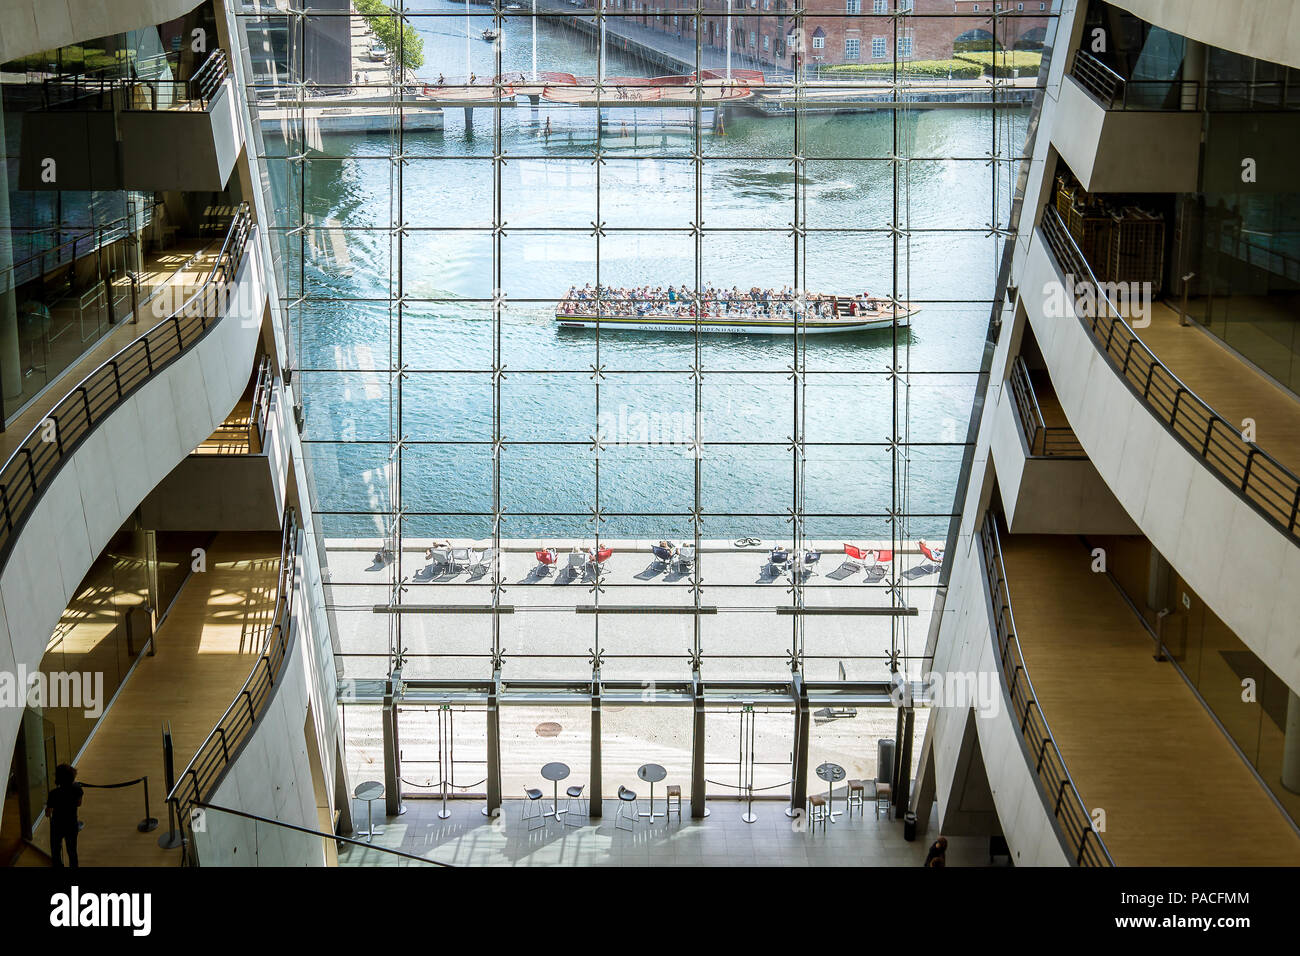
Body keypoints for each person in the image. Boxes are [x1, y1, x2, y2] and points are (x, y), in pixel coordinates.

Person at [46, 764, 83, 868]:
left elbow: (48, 813)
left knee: (56, 852)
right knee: (72, 851)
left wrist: (48, 809)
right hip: (71, 824)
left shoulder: (53, 793)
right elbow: (79, 803)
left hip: (57, 826)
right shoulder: (77, 789)